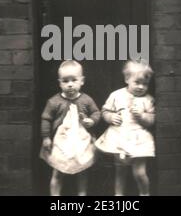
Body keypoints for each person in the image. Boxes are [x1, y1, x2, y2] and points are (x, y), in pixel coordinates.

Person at [40, 60, 100, 196]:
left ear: (82, 81)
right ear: (60, 82)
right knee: (58, 170)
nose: (70, 84)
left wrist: (92, 120)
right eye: (65, 81)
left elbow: (96, 112)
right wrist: (46, 137)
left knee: (82, 169)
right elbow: (46, 119)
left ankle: (82, 194)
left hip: (81, 140)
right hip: (61, 141)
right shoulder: (54, 101)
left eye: (74, 80)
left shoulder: (86, 100)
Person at [95, 60, 155, 196]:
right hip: (119, 136)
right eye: (137, 82)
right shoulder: (117, 95)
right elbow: (104, 110)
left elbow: (152, 120)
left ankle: (145, 193)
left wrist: (141, 116)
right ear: (127, 79)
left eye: (145, 84)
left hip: (139, 138)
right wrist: (110, 117)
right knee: (120, 170)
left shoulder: (148, 100)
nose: (141, 87)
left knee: (139, 172)